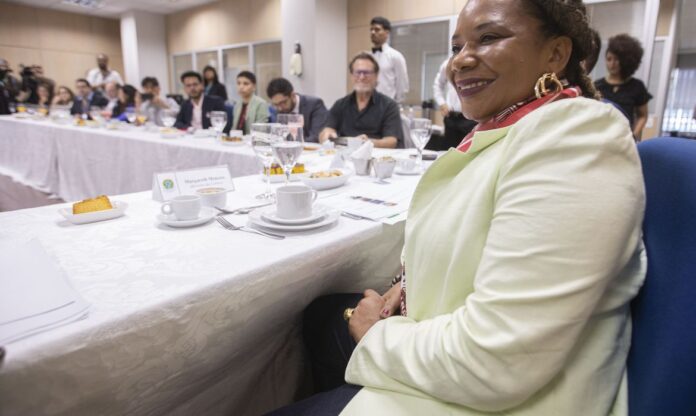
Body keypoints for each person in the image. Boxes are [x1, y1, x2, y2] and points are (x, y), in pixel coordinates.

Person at [269, 0, 646, 415]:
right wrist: (407, 284)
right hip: (453, 347)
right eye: (456, 47)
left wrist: (374, 335)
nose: (460, 61)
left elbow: (497, 361)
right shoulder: (509, 127)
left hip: (497, 399)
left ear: (555, 54)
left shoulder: (576, 138)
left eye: (488, 37)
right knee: (319, 316)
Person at [319, 52, 403, 149]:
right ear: (351, 75)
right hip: (345, 155)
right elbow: (326, 131)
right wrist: (326, 134)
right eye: (358, 72)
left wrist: (367, 143)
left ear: (376, 76)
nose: (362, 77)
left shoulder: (389, 105)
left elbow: (391, 141)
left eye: (367, 73)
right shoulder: (340, 104)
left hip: (375, 155)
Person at [594, 34, 652, 140]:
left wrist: (634, 135)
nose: (612, 64)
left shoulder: (637, 87)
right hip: (599, 136)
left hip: (624, 138)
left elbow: (643, 116)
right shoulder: (597, 85)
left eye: (616, 59)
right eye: (609, 59)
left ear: (626, 61)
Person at [267, 77, 329, 143]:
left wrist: (295, 145)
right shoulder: (278, 111)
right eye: (276, 104)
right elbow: (279, 136)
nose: (280, 108)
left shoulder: (314, 105)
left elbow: (317, 136)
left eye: (283, 102)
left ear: (292, 95)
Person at [432, 57, 476, 149]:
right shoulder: (448, 64)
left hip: (471, 119)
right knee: (448, 152)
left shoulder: (475, 62)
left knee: (468, 152)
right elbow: (437, 85)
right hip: (451, 117)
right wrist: (442, 103)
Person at [369, 16, 409, 103]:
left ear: (387, 33)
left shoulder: (396, 56)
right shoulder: (367, 57)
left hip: (387, 106)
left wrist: (393, 105)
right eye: (371, 29)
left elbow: (402, 85)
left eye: (377, 29)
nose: (373, 32)